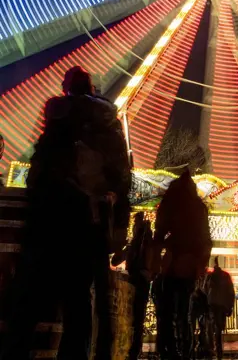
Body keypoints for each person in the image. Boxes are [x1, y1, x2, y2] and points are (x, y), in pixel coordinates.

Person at [1, 66, 131, 360]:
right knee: (78, 302)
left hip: (49, 216)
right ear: (92, 87)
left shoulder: (58, 116)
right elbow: (123, 178)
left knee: (30, 294)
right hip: (88, 221)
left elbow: (39, 169)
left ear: (66, 87)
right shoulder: (108, 124)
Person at [155, 169, 212, 360]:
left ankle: (168, 348)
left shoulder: (171, 203)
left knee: (167, 309)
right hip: (190, 264)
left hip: (173, 261)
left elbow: (160, 230)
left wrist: (159, 247)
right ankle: (185, 349)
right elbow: (206, 239)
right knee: (184, 312)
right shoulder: (199, 207)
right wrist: (200, 264)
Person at [119, 212, 154, 360]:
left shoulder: (138, 243)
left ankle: (132, 349)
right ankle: (133, 348)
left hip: (136, 280)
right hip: (140, 281)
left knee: (133, 316)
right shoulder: (141, 243)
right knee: (136, 317)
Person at [206, 257, 235, 359]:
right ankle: (218, 350)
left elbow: (204, 290)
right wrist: (230, 306)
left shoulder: (210, 276)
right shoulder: (225, 276)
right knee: (218, 328)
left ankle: (213, 348)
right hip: (221, 306)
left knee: (211, 327)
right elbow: (231, 292)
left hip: (212, 305)